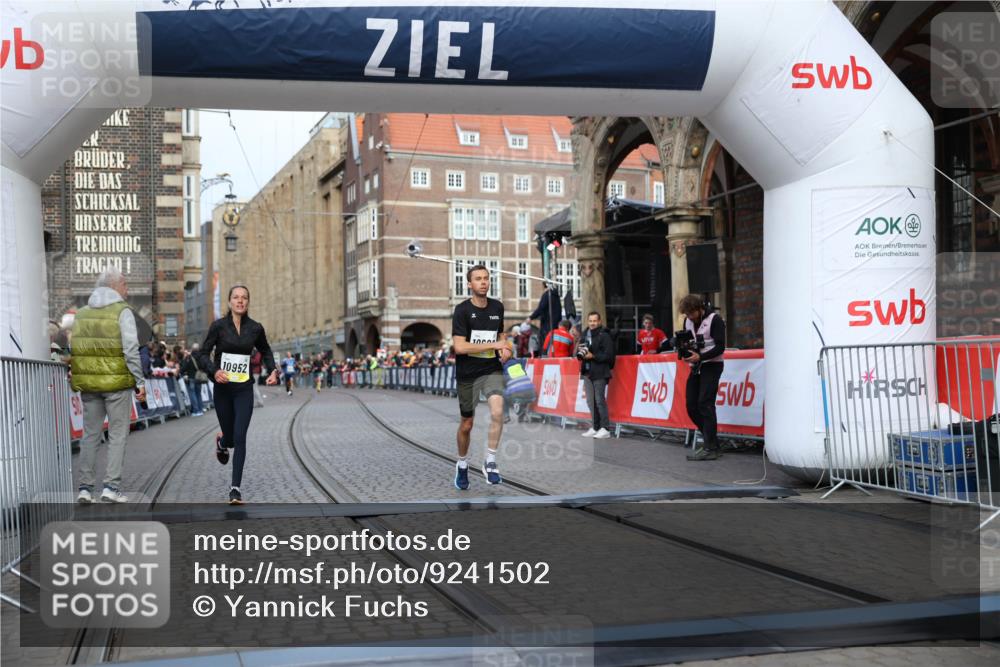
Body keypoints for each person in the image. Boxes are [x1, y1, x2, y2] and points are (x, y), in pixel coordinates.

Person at [70, 266, 146, 504]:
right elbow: (131, 350)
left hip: (90, 385)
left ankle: (85, 488)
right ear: (115, 286)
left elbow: (76, 350)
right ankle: (111, 487)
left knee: (90, 435)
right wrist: (139, 381)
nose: (127, 289)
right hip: (117, 384)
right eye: (125, 284)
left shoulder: (81, 314)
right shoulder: (122, 311)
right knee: (117, 435)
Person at [198, 284, 280, 504]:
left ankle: (235, 489)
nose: (240, 301)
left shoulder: (255, 328)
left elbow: (265, 350)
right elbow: (203, 354)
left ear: (248, 302)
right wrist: (214, 371)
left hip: (244, 389)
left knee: (241, 437)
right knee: (231, 438)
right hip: (223, 389)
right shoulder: (218, 327)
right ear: (229, 302)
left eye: (244, 297)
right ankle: (222, 442)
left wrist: (272, 369)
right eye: (236, 297)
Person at [451, 264, 511, 489]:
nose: (483, 282)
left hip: (491, 369)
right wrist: (495, 343)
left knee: (498, 411)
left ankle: (491, 461)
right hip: (467, 372)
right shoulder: (462, 310)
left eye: (486, 278)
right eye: (478, 279)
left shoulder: (497, 307)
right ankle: (462, 463)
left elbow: (501, 335)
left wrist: (505, 348)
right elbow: (459, 347)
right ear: (469, 284)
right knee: (467, 424)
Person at [678, 295, 727, 461]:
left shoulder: (715, 319)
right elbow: (689, 342)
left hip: (712, 365)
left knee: (705, 403)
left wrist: (700, 357)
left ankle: (710, 446)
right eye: (687, 314)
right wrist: (684, 351)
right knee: (691, 405)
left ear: (699, 309)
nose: (689, 317)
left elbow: (720, 347)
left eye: (691, 313)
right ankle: (711, 441)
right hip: (696, 366)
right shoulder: (688, 321)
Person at [579, 311, 615, 439]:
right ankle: (595, 427)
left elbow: (610, 356)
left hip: (600, 372)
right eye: (590, 321)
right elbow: (581, 354)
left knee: (599, 400)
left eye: (595, 321)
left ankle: (605, 428)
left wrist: (593, 356)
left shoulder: (604, 335)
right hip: (587, 372)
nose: (592, 323)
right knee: (590, 401)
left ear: (599, 322)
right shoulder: (584, 335)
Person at [180, 347, 205, 416]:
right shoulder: (199, 359)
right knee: (198, 394)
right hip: (199, 378)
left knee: (192, 394)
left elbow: (184, 368)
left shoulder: (189, 359)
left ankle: (196, 411)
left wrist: (180, 371)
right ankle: (201, 409)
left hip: (191, 378)